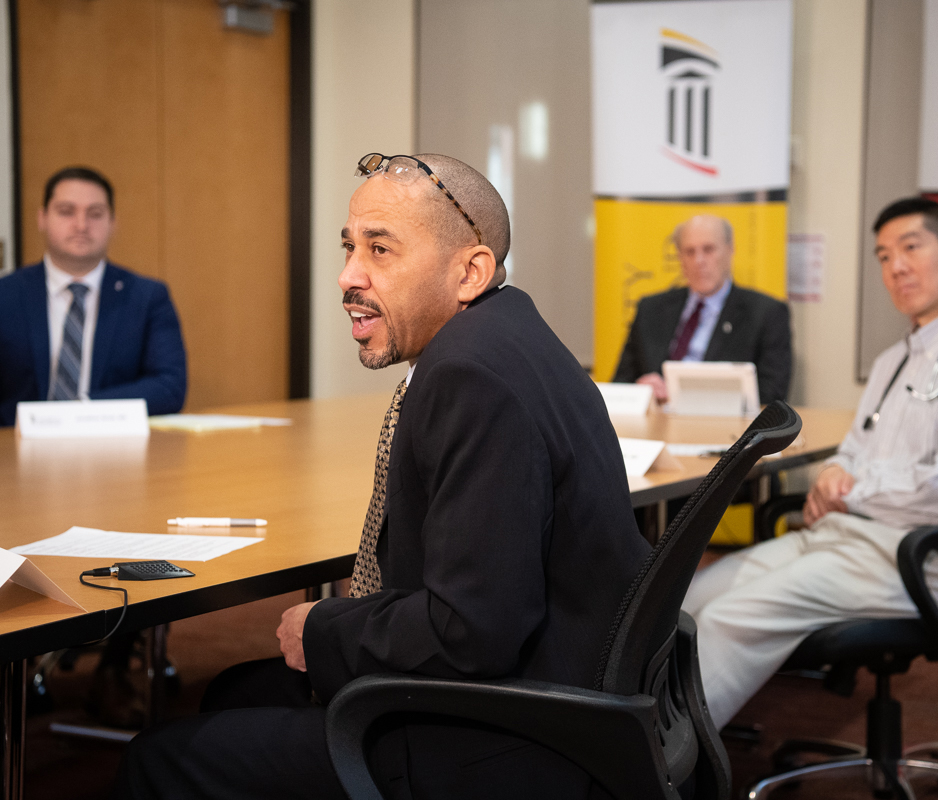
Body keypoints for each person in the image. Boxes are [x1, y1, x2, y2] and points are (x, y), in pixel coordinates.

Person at [113, 153, 649, 799]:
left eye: (381, 249)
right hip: (566, 689)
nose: (348, 276)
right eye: (348, 247)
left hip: (505, 738)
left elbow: (473, 633)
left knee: (157, 759)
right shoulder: (509, 335)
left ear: (470, 271)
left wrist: (322, 625)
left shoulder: (469, 378)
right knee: (232, 692)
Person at [681, 197, 938, 729]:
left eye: (911, 248)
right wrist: (835, 474)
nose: (895, 266)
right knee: (691, 600)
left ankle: (662, 767)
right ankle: (653, 728)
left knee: (736, 617)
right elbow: (855, 449)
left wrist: (848, 489)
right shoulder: (893, 360)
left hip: (924, 561)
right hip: (844, 538)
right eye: (883, 255)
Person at [0, 166, 187, 427]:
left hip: (114, 450)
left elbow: (169, 386)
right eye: (66, 212)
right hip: (14, 449)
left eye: (95, 214)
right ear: (42, 218)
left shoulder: (146, 297)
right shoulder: (6, 295)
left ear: (113, 222)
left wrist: (82, 411)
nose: (81, 225)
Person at [613, 214, 792, 405]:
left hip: (725, 428)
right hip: (658, 423)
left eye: (709, 250)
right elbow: (620, 384)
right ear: (680, 257)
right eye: (689, 252)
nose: (699, 260)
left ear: (730, 250)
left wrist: (687, 396)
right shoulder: (651, 310)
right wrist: (641, 391)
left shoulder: (766, 313)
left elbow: (772, 395)